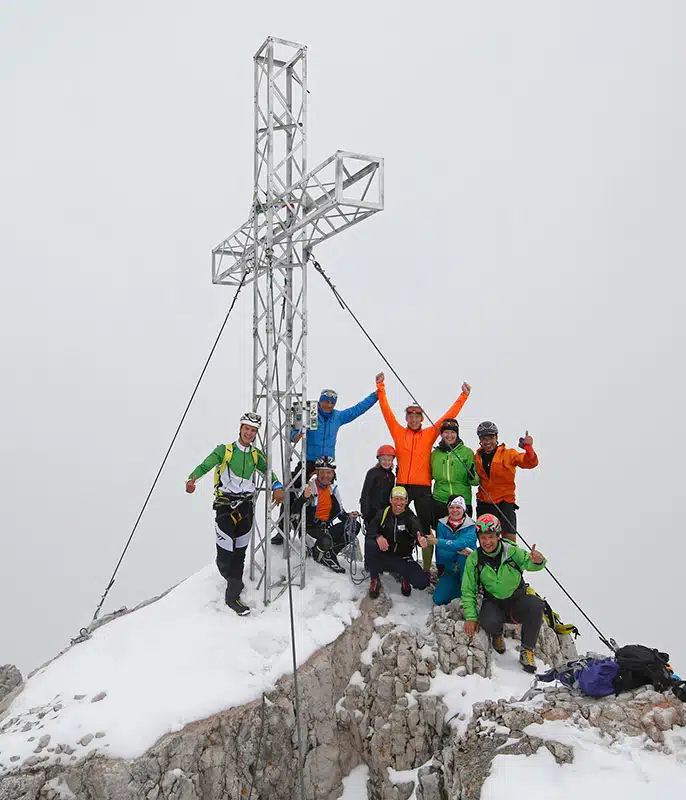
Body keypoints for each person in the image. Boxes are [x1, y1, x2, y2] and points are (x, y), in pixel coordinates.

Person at [186, 412, 284, 616]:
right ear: (240, 428)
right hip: (225, 506)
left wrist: (277, 485)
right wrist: (192, 479)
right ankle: (233, 582)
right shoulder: (226, 451)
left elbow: (268, 472)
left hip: (246, 507)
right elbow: (206, 464)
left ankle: (233, 597)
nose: (249, 433)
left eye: (253, 430)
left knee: (239, 555)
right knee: (225, 557)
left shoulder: (256, 455)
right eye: (246, 428)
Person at [375, 372, 471, 572]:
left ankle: (427, 569)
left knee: (426, 528)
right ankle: (395, 560)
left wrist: (463, 396)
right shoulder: (398, 432)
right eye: (410, 416)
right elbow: (386, 412)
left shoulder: (429, 434)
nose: (413, 419)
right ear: (406, 418)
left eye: (417, 416)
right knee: (395, 521)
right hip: (402, 486)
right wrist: (381, 386)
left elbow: (448, 417)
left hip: (423, 488)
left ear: (422, 419)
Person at [272, 385, 379, 545]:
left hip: (327, 466)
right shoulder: (311, 414)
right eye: (326, 401)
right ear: (321, 401)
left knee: (328, 496)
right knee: (292, 491)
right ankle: (282, 530)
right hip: (308, 461)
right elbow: (293, 432)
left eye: (332, 402)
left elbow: (357, 409)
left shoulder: (338, 416)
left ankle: (323, 528)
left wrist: (375, 396)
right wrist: (297, 435)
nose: (328, 405)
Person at [461, 514, 547, 673]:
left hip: (517, 601)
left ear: (499, 536)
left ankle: (527, 650)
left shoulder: (512, 551)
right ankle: (497, 635)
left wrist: (539, 561)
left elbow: (530, 563)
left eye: (491, 537)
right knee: (487, 620)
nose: (487, 542)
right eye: (483, 537)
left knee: (536, 605)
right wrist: (471, 617)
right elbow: (468, 589)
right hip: (494, 602)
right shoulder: (474, 559)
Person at [291, 456, 359, 574]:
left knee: (354, 525)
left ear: (333, 474)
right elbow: (294, 510)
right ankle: (317, 554)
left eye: (329, 472)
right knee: (325, 540)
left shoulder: (332, 489)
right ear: (317, 473)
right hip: (309, 530)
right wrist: (303, 497)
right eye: (322, 472)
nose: (325, 475)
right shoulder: (310, 487)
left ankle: (329, 552)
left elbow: (340, 513)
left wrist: (350, 517)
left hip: (324, 529)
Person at [474, 422, 538, 542]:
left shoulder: (508, 454)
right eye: (484, 438)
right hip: (484, 503)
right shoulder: (476, 457)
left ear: (497, 437)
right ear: (479, 439)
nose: (488, 442)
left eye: (491, 438)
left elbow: (530, 463)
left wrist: (528, 448)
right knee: (486, 541)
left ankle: (510, 561)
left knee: (509, 542)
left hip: (505, 503)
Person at [365, 486, 430, 598]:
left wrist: (421, 539)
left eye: (402, 499)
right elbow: (370, 530)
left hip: (402, 558)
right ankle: (374, 579)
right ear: (391, 500)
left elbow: (417, 531)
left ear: (406, 501)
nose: (398, 502)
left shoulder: (410, 517)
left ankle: (404, 577)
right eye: (396, 498)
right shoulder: (383, 513)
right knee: (370, 544)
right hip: (384, 555)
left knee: (422, 583)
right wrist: (378, 536)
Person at [426, 496, 477, 606]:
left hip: (466, 569)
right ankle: (458, 590)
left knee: (465, 557)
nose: (454, 510)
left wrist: (438, 541)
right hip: (449, 568)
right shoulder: (441, 524)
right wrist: (456, 549)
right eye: (451, 507)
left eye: (458, 507)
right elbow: (441, 552)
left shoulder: (472, 525)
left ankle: (468, 589)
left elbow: (464, 544)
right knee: (438, 599)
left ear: (464, 509)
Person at [430, 418, 479, 523]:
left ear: (457, 434)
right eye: (446, 432)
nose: (449, 435)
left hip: (462, 501)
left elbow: (476, 482)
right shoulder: (435, 454)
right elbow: (428, 475)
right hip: (441, 500)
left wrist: (472, 475)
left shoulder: (467, 453)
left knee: (463, 535)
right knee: (442, 536)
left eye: (452, 432)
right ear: (441, 434)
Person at [359, 445, 396, 528]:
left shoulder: (392, 476)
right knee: (372, 534)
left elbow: (391, 494)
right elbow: (365, 493)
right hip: (371, 512)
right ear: (379, 460)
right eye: (384, 459)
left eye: (389, 460)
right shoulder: (372, 473)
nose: (386, 462)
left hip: (385, 512)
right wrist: (364, 512)